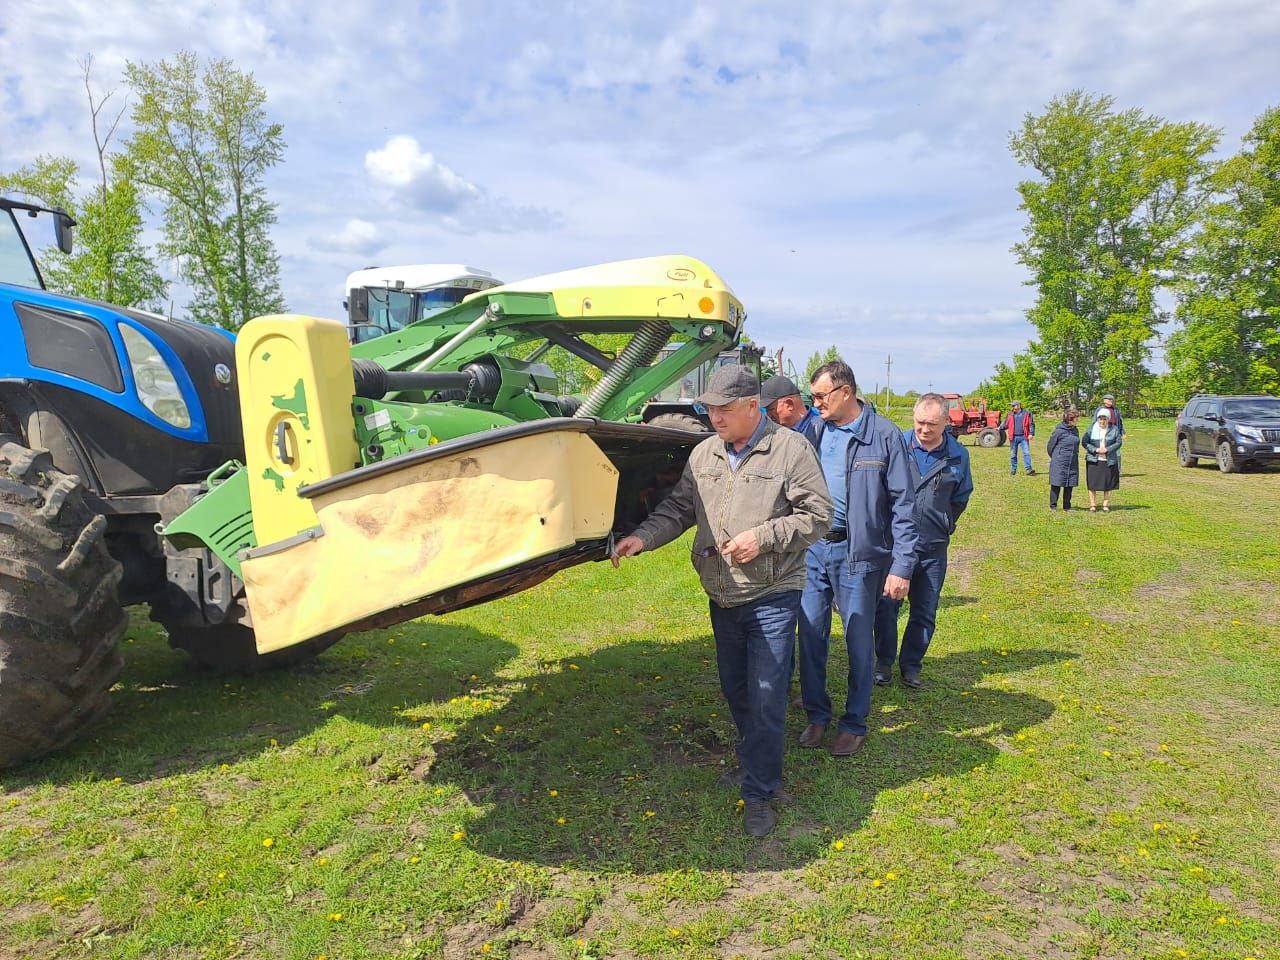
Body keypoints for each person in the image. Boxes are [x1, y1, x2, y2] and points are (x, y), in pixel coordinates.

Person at [610, 365, 832, 838]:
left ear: (754, 405)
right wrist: (643, 538)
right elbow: (679, 508)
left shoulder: (791, 450)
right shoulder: (705, 453)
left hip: (773, 591)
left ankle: (761, 791)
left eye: (724, 409)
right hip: (723, 592)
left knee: (768, 694)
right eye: (709, 409)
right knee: (736, 690)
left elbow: (818, 517)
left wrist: (765, 537)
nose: (715, 418)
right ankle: (754, 761)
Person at [797, 360, 917, 757]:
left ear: (845, 392)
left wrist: (901, 566)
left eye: (820, 396)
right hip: (813, 550)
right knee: (810, 634)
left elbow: (904, 504)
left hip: (858, 555)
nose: (814, 404)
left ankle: (854, 722)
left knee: (857, 639)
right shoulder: (813, 430)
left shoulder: (883, 436)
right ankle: (817, 716)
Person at [872, 393, 972, 689]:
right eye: (919, 422)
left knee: (925, 611)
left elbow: (961, 496)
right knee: (886, 608)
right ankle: (883, 663)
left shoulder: (957, 456)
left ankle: (911, 666)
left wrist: (944, 522)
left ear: (946, 422)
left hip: (932, 549)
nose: (924, 429)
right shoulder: (896, 446)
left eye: (931, 424)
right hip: (895, 547)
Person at [760, 374, 822, 446]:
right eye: (767, 410)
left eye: (771, 409)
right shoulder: (774, 432)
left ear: (789, 404)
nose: (768, 415)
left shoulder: (821, 429)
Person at [1082, 408, 1122, 512]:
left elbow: (1118, 442)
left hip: (1109, 460)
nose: (1102, 421)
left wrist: (1107, 449)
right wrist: (1095, 450)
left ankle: (1105, 505)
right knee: (1092, 483)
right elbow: (1085, 442)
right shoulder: (1091, 428)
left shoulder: (1114, 429)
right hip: (1094, 460)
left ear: (1108, 419)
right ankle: (1093, 505)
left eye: (1104, 419)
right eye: (1100, 419)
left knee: (1107, 484)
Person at [1046, 407, 1082, 512]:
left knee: (1069, 484)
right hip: (1059, 461)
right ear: (1070, 419)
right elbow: (1050, 446)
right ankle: (1053, 506)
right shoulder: (1059, 431)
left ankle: (1067, 506)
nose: (1078, 420)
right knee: (1056, 483)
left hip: (1072, 461)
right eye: (1076, 418)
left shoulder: (1075, 430)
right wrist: (1056, 457)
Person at [1004, 401, 1036, 475]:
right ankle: (1013, 470)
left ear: (1018, 406)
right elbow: (1006, 424)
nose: (1012, 407)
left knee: (1026, 453)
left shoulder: (1027, 413)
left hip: (1024, 437)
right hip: (1013, 437)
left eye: (1013, 406)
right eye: (1011, 406)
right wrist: (999, 428)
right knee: (1013, 455)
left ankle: (1028, 469)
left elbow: (1031, 424)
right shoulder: (1010, 414)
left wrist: (1031, 433)